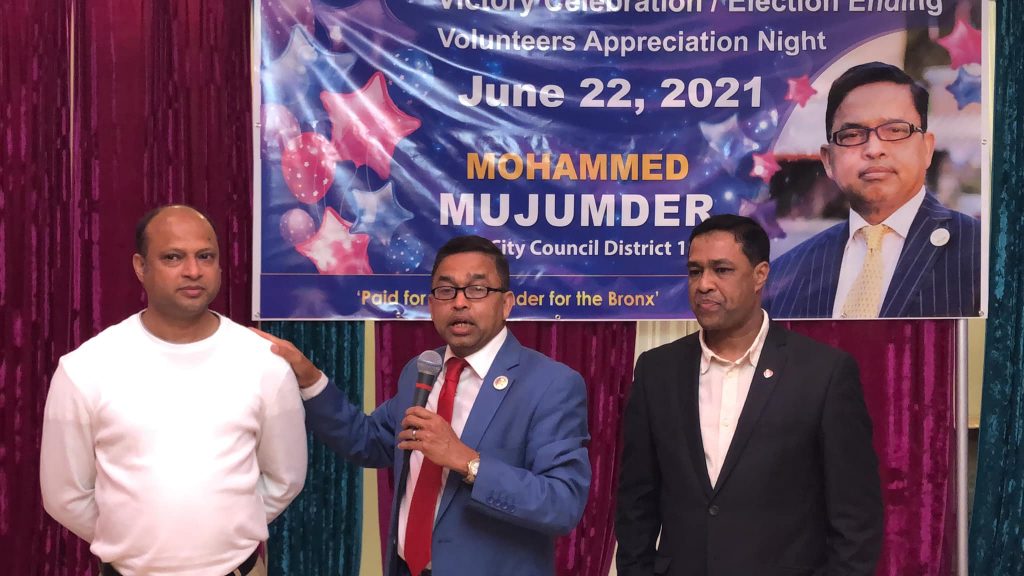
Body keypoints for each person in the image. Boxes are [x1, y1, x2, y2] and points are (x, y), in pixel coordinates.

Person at [254, 235, 590, 576]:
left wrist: (467, 462)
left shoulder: (550, 384)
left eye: (477, 289)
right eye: (446, 290)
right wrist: (309, 377)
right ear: (431, 304)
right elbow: (369, 441)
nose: (459, 302)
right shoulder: (421, 369)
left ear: (505, 304)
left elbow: (562, 503)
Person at [40, 205, 307, 576]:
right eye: (173, 257)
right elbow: (64, 495)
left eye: (205, 256)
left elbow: (285, 478)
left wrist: (225, 530)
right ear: (141, 267)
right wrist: (134, 540)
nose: (193, 271)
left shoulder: (264, 362)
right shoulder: (86, 367)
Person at [616, 214, 883, 575]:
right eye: (695, 271)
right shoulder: (657, 371)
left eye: (721, 270)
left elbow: (856, 518)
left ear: (760, 275)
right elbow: (636, 504)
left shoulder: (823, 373)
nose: (704, 284)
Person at [764, 61, 982, 318]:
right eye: (852, 135)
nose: (874, 149)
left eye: (895, 130)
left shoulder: (983, 255)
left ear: (927, 149)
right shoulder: (785, 277)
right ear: (828, 160)